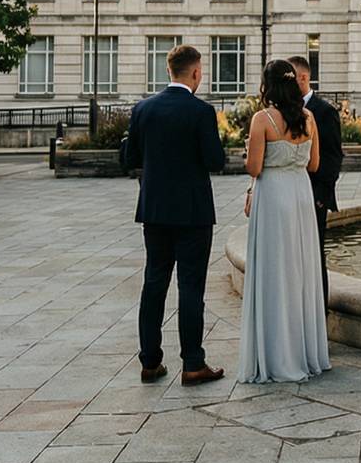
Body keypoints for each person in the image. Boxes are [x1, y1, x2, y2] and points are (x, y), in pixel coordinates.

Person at [123, 44, 228, 386]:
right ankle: (193, 363)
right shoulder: (201, 112)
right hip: (193, 212)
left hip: (154, 210)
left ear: (168, 70)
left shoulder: (143, 109)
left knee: (154, 282)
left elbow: (129, 158)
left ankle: (150, 361)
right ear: (196, 72)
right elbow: (215, 160)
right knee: (190, 286)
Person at [237, 60, 330, 383]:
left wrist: (248, 152)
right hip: (300, 195)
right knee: (300, 270)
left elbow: (254, 168)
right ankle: (304, 350)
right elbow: (314, 164)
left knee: (274, 271)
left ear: (268, 85)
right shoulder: (308, 117)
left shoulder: (262, 119)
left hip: (274, 196)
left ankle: (276, 353)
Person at [290, 55, 342, 306]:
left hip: (314, 197)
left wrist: (321, 197)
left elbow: (333, 158)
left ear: (303, 77)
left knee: (314, 257)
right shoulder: (284, 110)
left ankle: (319, 314)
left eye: (289, 77)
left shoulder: (324, 111)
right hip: (290, 196)